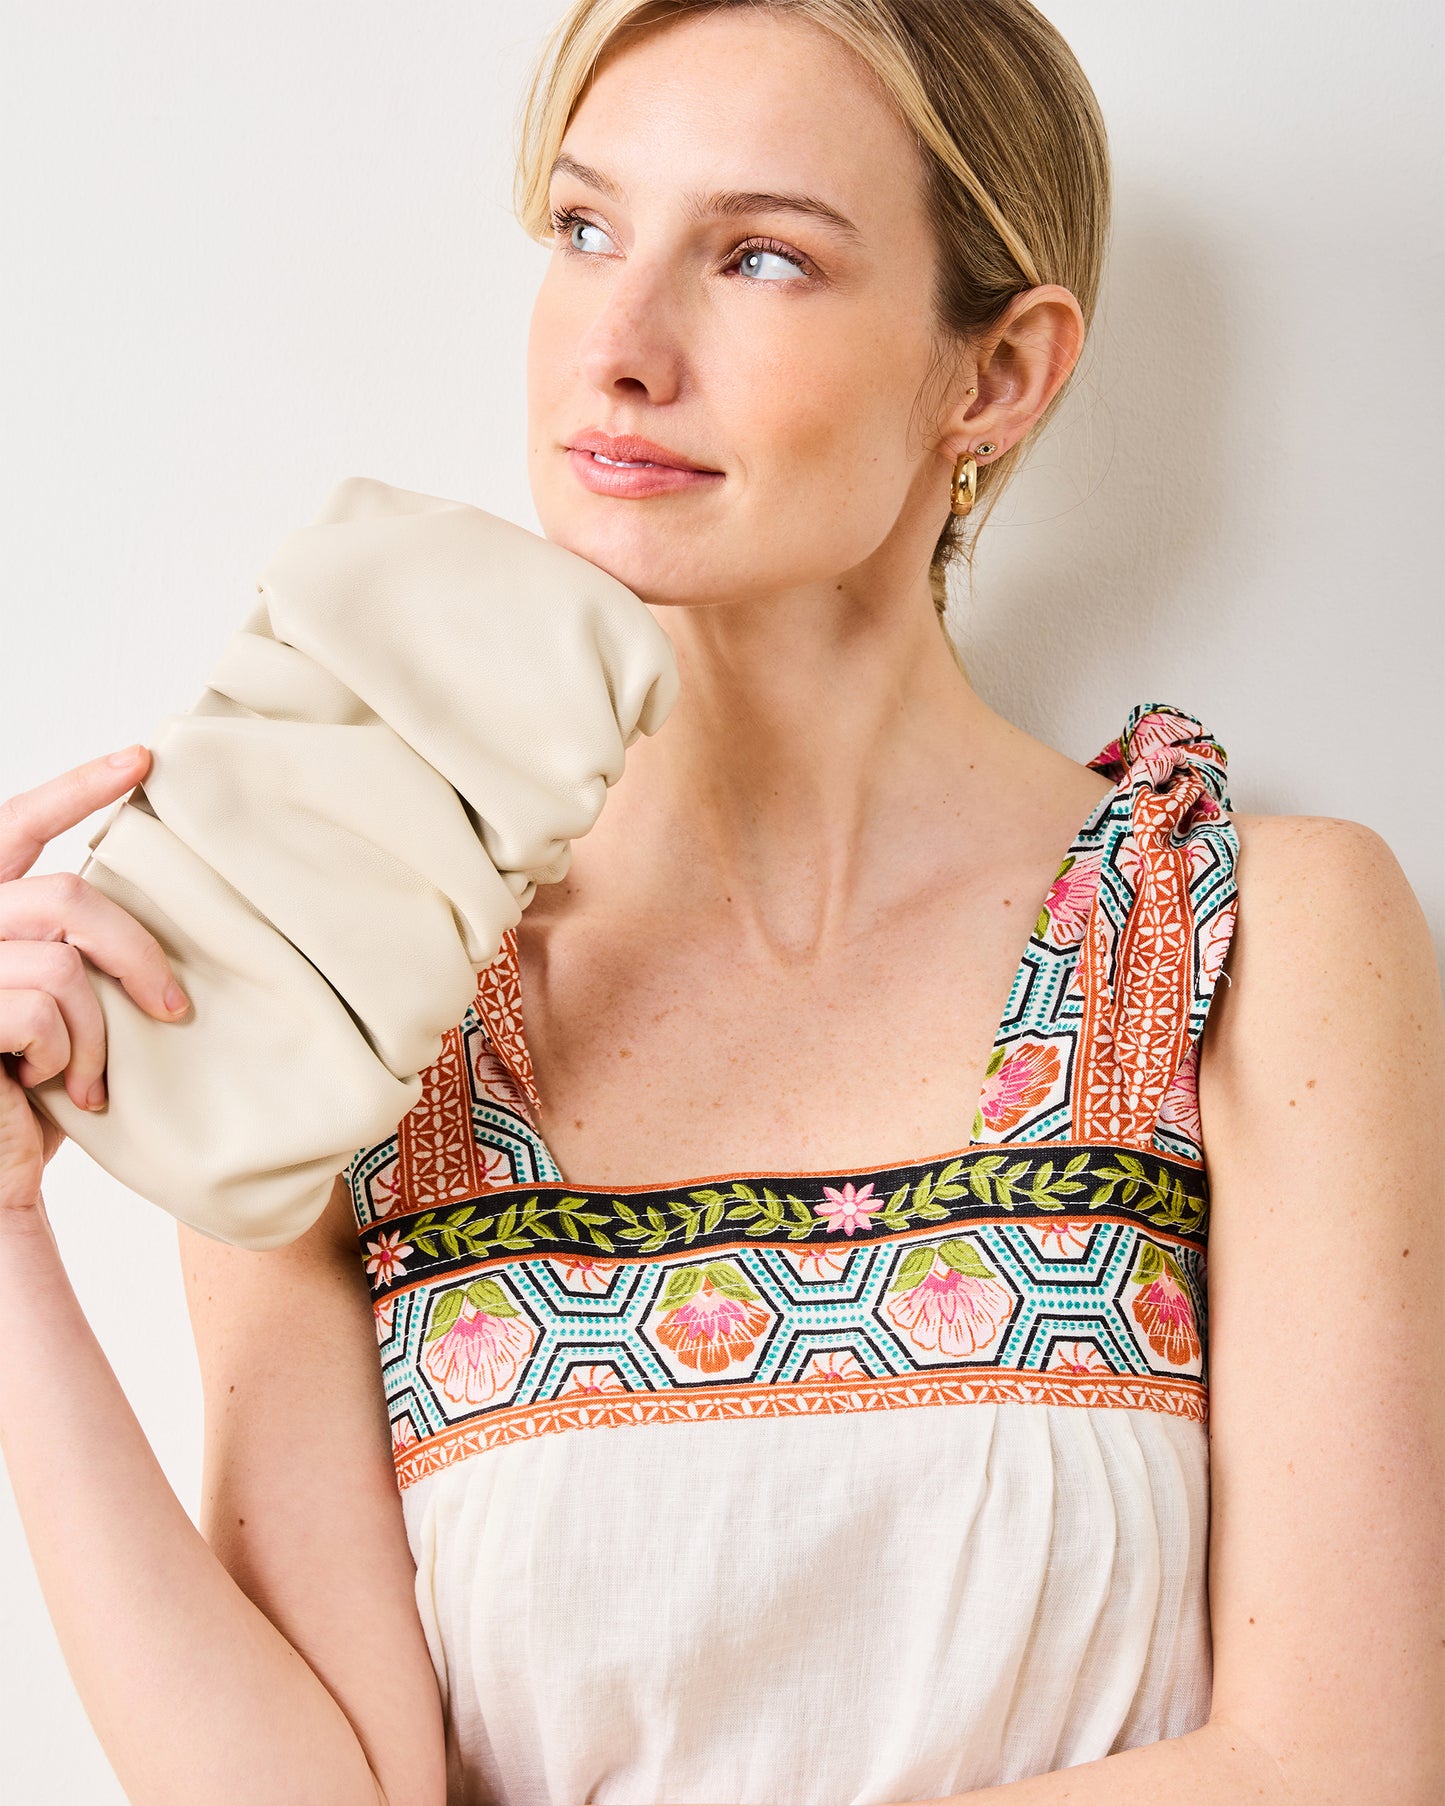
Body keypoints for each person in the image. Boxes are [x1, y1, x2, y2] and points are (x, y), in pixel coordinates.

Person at [0, 3, 1439, 1803]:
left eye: (760, 255)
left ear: (995, 374)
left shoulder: (1246, 937)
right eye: (584, 228)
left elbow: (1339, 1763)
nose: (616, 349)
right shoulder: (341, 971)